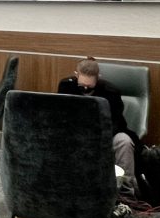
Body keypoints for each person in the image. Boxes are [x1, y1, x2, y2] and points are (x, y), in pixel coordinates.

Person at [57, 56, 137, 187]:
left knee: (124, 141)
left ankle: (126, 190)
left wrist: (98, 138)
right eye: (82, 86)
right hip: (75, 134)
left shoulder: (111, 92)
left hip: (106, 134)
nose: (86, 90)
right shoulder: (66, 86)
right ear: (76, 75)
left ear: (98, 78)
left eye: (90, 87)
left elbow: (115, 123)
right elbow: (60, 116)